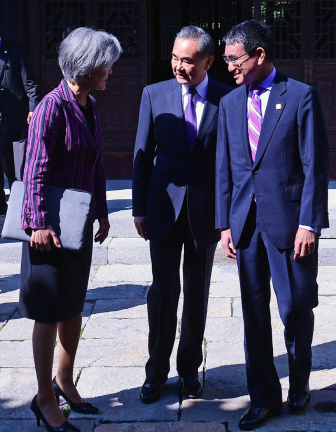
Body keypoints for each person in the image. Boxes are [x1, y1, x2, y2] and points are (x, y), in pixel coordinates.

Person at [215, 20, 329, 430]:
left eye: (234, 59)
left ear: (259, 55)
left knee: (297, 306)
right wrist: (224, 223)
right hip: (245, 225)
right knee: (253, 314)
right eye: (227, 59)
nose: (229, 67)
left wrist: (309, 224)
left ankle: (300, 380)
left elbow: (316, 166)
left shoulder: (299, 97)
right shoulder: (229, 104)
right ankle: (263, 397)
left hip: (289, 223)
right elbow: (225, 169)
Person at [19, 27, 121, 432]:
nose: (111, 71)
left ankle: (65, 381)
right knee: (47, 312)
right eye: (106, 65)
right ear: (87, 67)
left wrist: (103, 211)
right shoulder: (50, 107)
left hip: (77, 223)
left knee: (73, 306)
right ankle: (44, 397)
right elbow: (35, 170)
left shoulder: (89, 105)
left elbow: (95, 163)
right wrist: (38, 223)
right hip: (49, 229)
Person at [132, 25, 232, 404]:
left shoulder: (228, 99)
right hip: (162, 209)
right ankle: (155, 372)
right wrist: (139, 207)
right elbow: (142, 157)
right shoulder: (153, 95)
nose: (179, 66)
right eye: (175, 57)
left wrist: (227, 219)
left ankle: (190, 369)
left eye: (188, 60)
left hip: (205, 213)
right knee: (162, 292)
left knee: (197, 293)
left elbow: (231, 165)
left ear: (208, 61)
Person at [0, 37, 39, 214]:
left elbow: (30, 82)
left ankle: (19, 204)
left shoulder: (15, 49)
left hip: (10, 116)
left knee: (10, 162)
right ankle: (1, 207)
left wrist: (33, 109)